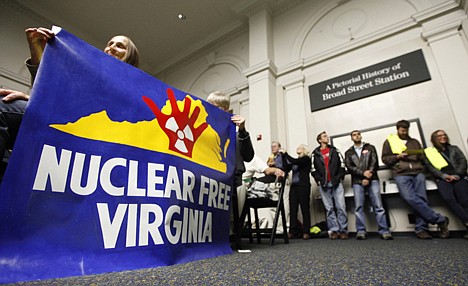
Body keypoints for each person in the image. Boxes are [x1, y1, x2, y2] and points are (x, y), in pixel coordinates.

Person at [0, 27, 140, 175]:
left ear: (130, 57)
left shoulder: (134, 88)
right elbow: (49, 92)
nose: (111, 47)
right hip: (59, 125)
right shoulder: (88, 74)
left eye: (120, 46)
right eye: (110, 43)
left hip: (92, 137)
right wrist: (37, 49)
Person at [382, 120, 449, 239]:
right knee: (409, 197)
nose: (404, 132)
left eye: (406, 130)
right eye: (402, 130)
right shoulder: (389, 142)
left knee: (422, 199)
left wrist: (423, 167)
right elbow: (385, 159)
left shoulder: (414, 142)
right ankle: (439, 219)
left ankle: (421, 229)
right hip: (401, 174)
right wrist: (398, 156)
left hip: (418, 173)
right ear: (397, 129)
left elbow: (423, 157)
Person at [206, 90, 255, 247]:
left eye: (217, 106)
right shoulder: (203, 127)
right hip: (210, 178)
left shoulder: (235, 131)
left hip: (233, 180)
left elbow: (248, 156)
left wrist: (242, 130)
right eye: (210, 106)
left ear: (225, 109)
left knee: (232, 218)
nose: (213, 109)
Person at [344, 130, 393, 240]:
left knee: (378, 206)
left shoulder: (370, 147)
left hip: (373, 179)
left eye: (358, 134)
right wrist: (362, 174)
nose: (357, 136)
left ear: (361, 136)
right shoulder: (349, 152)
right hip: (357, 182)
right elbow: (349, 167)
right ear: (351, 138)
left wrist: (367, 176)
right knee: (358, 207)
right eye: (354, 135)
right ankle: (361, 231)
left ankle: (384, 231)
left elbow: (374, 163)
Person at [425, 130, 468, 239]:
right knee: (449, 199)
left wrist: (457, 175)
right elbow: (430, 167)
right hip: (443, 179)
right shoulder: (430, 152)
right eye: (439, 136)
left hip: (459, 177)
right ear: (434, 138)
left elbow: (463, 161)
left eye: (444, 135)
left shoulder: (454, 148)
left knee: (464, 201)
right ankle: (467, 221)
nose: (443, 137)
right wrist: (444, 176)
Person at [311, 131, 348, 240]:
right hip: (324, 184)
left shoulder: (335, 150)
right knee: (329, 209)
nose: (327, 137)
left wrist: (339, 177)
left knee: (341, 207)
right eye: (324, 136)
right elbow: (313, 169)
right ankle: (334, 230)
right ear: (319, 140)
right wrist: (319, 180)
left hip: (336, 182)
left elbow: (342, 164)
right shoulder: (315, 153)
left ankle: (343, 230)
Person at [282, 144, 312, 240]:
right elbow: (286, 167)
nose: (297, 148)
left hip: (303, 186)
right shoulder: (296, 161)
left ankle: (306, 231)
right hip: (294, 187)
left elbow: (295, 161)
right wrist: (283, 157)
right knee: (293, 209)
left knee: (304, 208)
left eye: (299, 147)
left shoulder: (306, 159)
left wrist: (285, 154)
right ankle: (292, 231)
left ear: (304, 150)